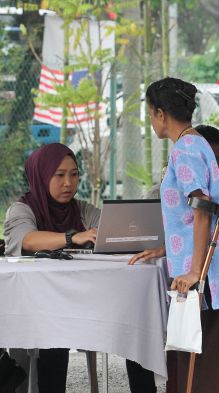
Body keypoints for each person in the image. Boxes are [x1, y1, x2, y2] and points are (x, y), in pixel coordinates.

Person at [129, 77, 219, 392]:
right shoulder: (195, 143)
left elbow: (201, 206)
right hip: (215, 269)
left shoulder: (185, 148)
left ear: (158, 113)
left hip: (207, 275)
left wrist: (195, 270)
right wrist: (166, 249)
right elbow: (190, 215)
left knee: (201, 371)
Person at [3, 143, 156, 393]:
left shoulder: (81, 209)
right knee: (54, 337)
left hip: (87, 301)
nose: (68, 183)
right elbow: (27, 240)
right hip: (41, 308)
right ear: (41, 176)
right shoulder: (21, 209)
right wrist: (71, 237)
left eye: (74, 174)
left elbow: (110, 230)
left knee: (136, 322)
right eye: (59, 175)